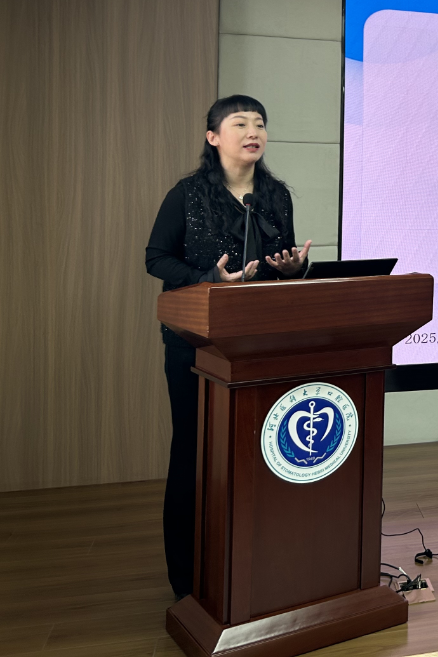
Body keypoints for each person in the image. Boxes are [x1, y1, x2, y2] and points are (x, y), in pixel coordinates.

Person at [145, 95, 312, 598]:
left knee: (260, 453)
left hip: (261, 342)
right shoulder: (188, 195)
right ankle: (187, 578)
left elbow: (283, 262)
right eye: (239, 123)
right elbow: (156, 258)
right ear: (213, 137)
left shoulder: (275, 196)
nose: (252, 131)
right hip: (197, 343)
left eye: (259, 123)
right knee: (195, 452)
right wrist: (209, 278)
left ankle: (254, 562)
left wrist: (294, 270)